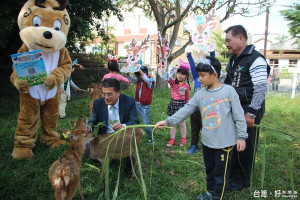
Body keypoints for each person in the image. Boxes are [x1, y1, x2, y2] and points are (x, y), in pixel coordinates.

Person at [155, 56, 247, 200]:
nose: (200, 79)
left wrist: (241, 136)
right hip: (207, 142)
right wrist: (168, 121)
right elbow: (186, 110)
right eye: (198, 75)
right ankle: (210, 192)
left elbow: (239, 116)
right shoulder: (200, 94)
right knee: (210, 170)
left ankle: (218, 196)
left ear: (215, 75)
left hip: (225, 143)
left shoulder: (228, 91)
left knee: (220, 173)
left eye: (203, 76)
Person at [224, 25, 270, 191]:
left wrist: (251, 113)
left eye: (229, 40)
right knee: (234, 142)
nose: (227, 45)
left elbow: (260, 88)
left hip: (248, 108)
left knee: (245, 144)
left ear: (241, 38)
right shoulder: (234, 60)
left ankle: (242, 180)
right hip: (235, 107)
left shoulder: (255, 59)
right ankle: (232, 176)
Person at [88, 78, 139, 174]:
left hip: (122, 137)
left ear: (118, 92)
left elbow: (135, 120)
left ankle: (129, 167)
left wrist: (124, 126)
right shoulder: (98, 103)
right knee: (93, 158)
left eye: (110, 94)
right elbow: (92, 121)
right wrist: (88, 127)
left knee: (129, 153)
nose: (106, 97)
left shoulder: (129, 102)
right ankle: (110, 158)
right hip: (104, 138)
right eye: (104, 93)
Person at [185, 45, 216, 154]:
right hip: (196, 108)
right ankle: (194, 145)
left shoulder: (210, 77)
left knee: (208, 128)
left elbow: (213, 63)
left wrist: (212, 52)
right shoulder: (197, 77)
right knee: (195, 128)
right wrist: (188, 54)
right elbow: (192, 65)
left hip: (207, 108)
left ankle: (209, 146)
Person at [126, 66, 155, 144]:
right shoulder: (139, 81)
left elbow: (145, 78)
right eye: (137, 76)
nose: (138, 78)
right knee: (133, 119)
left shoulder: (150, 82)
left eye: (139, 76)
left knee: (146, 123)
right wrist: (128, 72)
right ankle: (132, 136)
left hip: (144, 107)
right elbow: (131, 79)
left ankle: (151, 139)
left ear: (144, 74)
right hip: (136, 104)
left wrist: (138, 67)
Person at [166, 63, 190, 147]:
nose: (180, 75)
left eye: (182, 74)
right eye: (178, 73)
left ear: (186, 76)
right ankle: (172, 139)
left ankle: (184, 138)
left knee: (182, 123)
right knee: (173, 123)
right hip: (173, 105)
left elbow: (187, 97)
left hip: (182, 106)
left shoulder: (186, 86)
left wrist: (188, 107)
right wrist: (162, 68)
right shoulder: (173, 83)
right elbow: (167, 77)